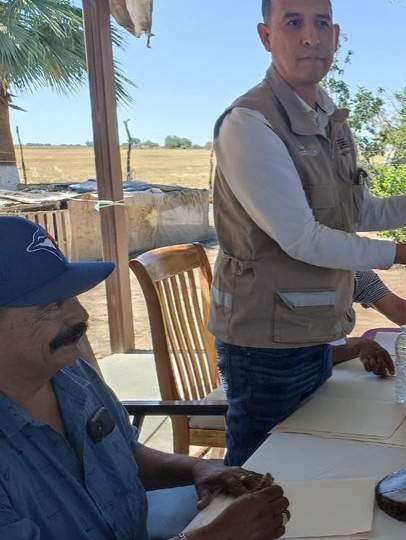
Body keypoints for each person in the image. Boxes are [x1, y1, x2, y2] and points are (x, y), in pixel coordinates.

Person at [210, 0, 406, 466]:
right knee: (259, 477)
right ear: (267, 37)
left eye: (321, 23)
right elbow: (302, 238)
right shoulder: (250, 123)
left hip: (316, 330)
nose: (310, 36)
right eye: (293, 22)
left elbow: (353, 211)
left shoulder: (328, 118)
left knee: (310, 469)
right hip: (265, 343)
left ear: (336, 35)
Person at [0, 217, 290, 540]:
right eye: (51, 306)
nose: (80, 317)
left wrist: (197, 469)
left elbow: (124, 454)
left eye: (72, 297)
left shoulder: (72, 375)